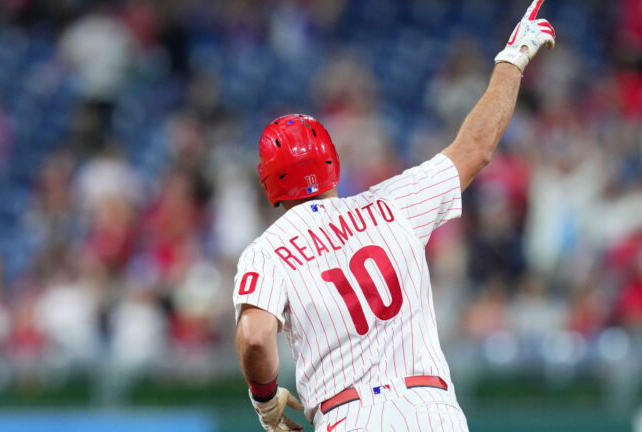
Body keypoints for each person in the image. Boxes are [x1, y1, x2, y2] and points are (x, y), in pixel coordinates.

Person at [233, 1, 555, 431]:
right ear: (332, 162)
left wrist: (266, 401)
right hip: (432, 409)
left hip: (349, 415)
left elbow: (255, 337)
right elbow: (475, 148)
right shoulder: (394, 203)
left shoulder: (267, 252)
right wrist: (512, 60)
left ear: (268, 182)